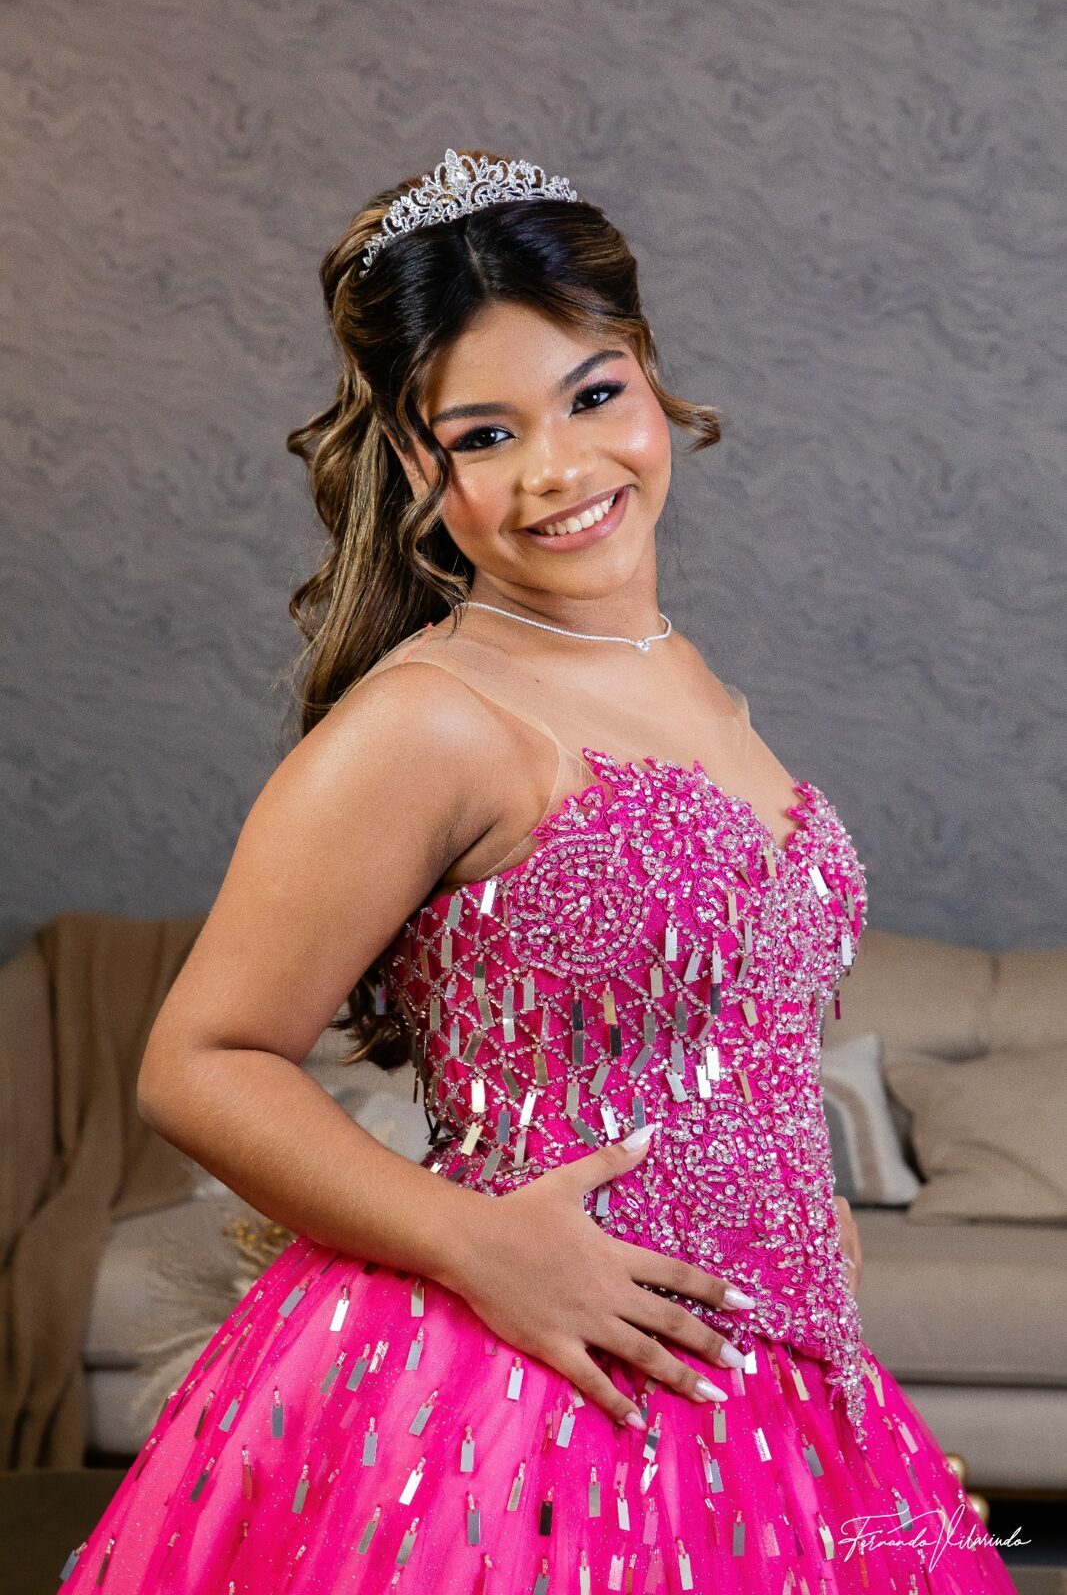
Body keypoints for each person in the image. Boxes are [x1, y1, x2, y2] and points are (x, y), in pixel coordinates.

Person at [56, 149, 1017, 1594]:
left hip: (771, 1375)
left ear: (650, 377)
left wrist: (800, 1203)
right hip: (516, 1397)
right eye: (485, 434)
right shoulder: (431, 718)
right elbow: (200, 1062)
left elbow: (727, 1039)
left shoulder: (681, 671)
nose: (559, 470)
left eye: (592, 394)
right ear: (412, 459)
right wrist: (480, 1246)